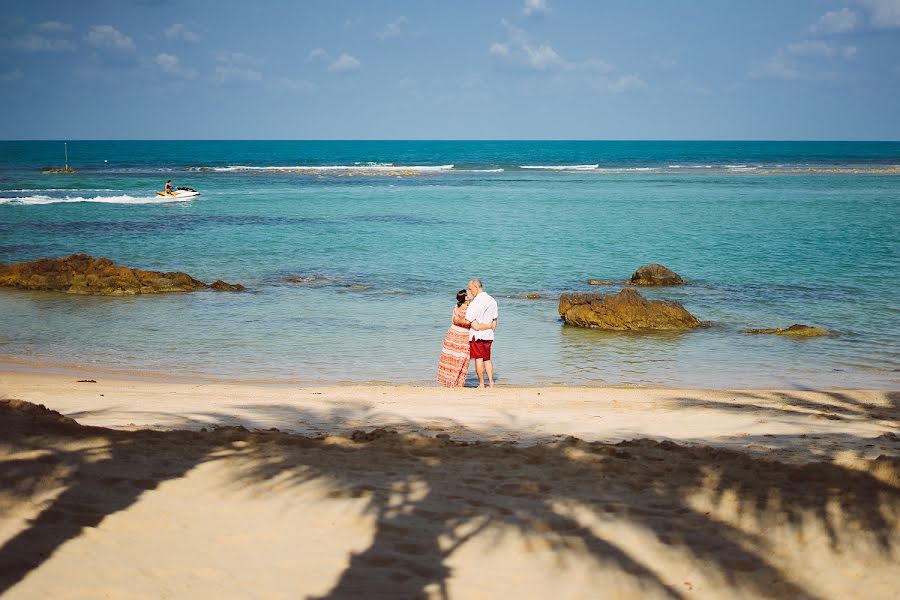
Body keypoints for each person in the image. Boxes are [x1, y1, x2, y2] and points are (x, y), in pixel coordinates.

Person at [464, 278, 499, 389]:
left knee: (478, 359)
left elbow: (470, 321)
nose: (470, 292)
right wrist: (488, 327)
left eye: (470, 289)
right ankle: (491, 383)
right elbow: (494, 322)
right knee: (487, 359)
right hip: (488, 335)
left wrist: (468, 303)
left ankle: (481, 384)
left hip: (477, 335)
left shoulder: (476, 302)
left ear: (476, 287)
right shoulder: (492, 300)